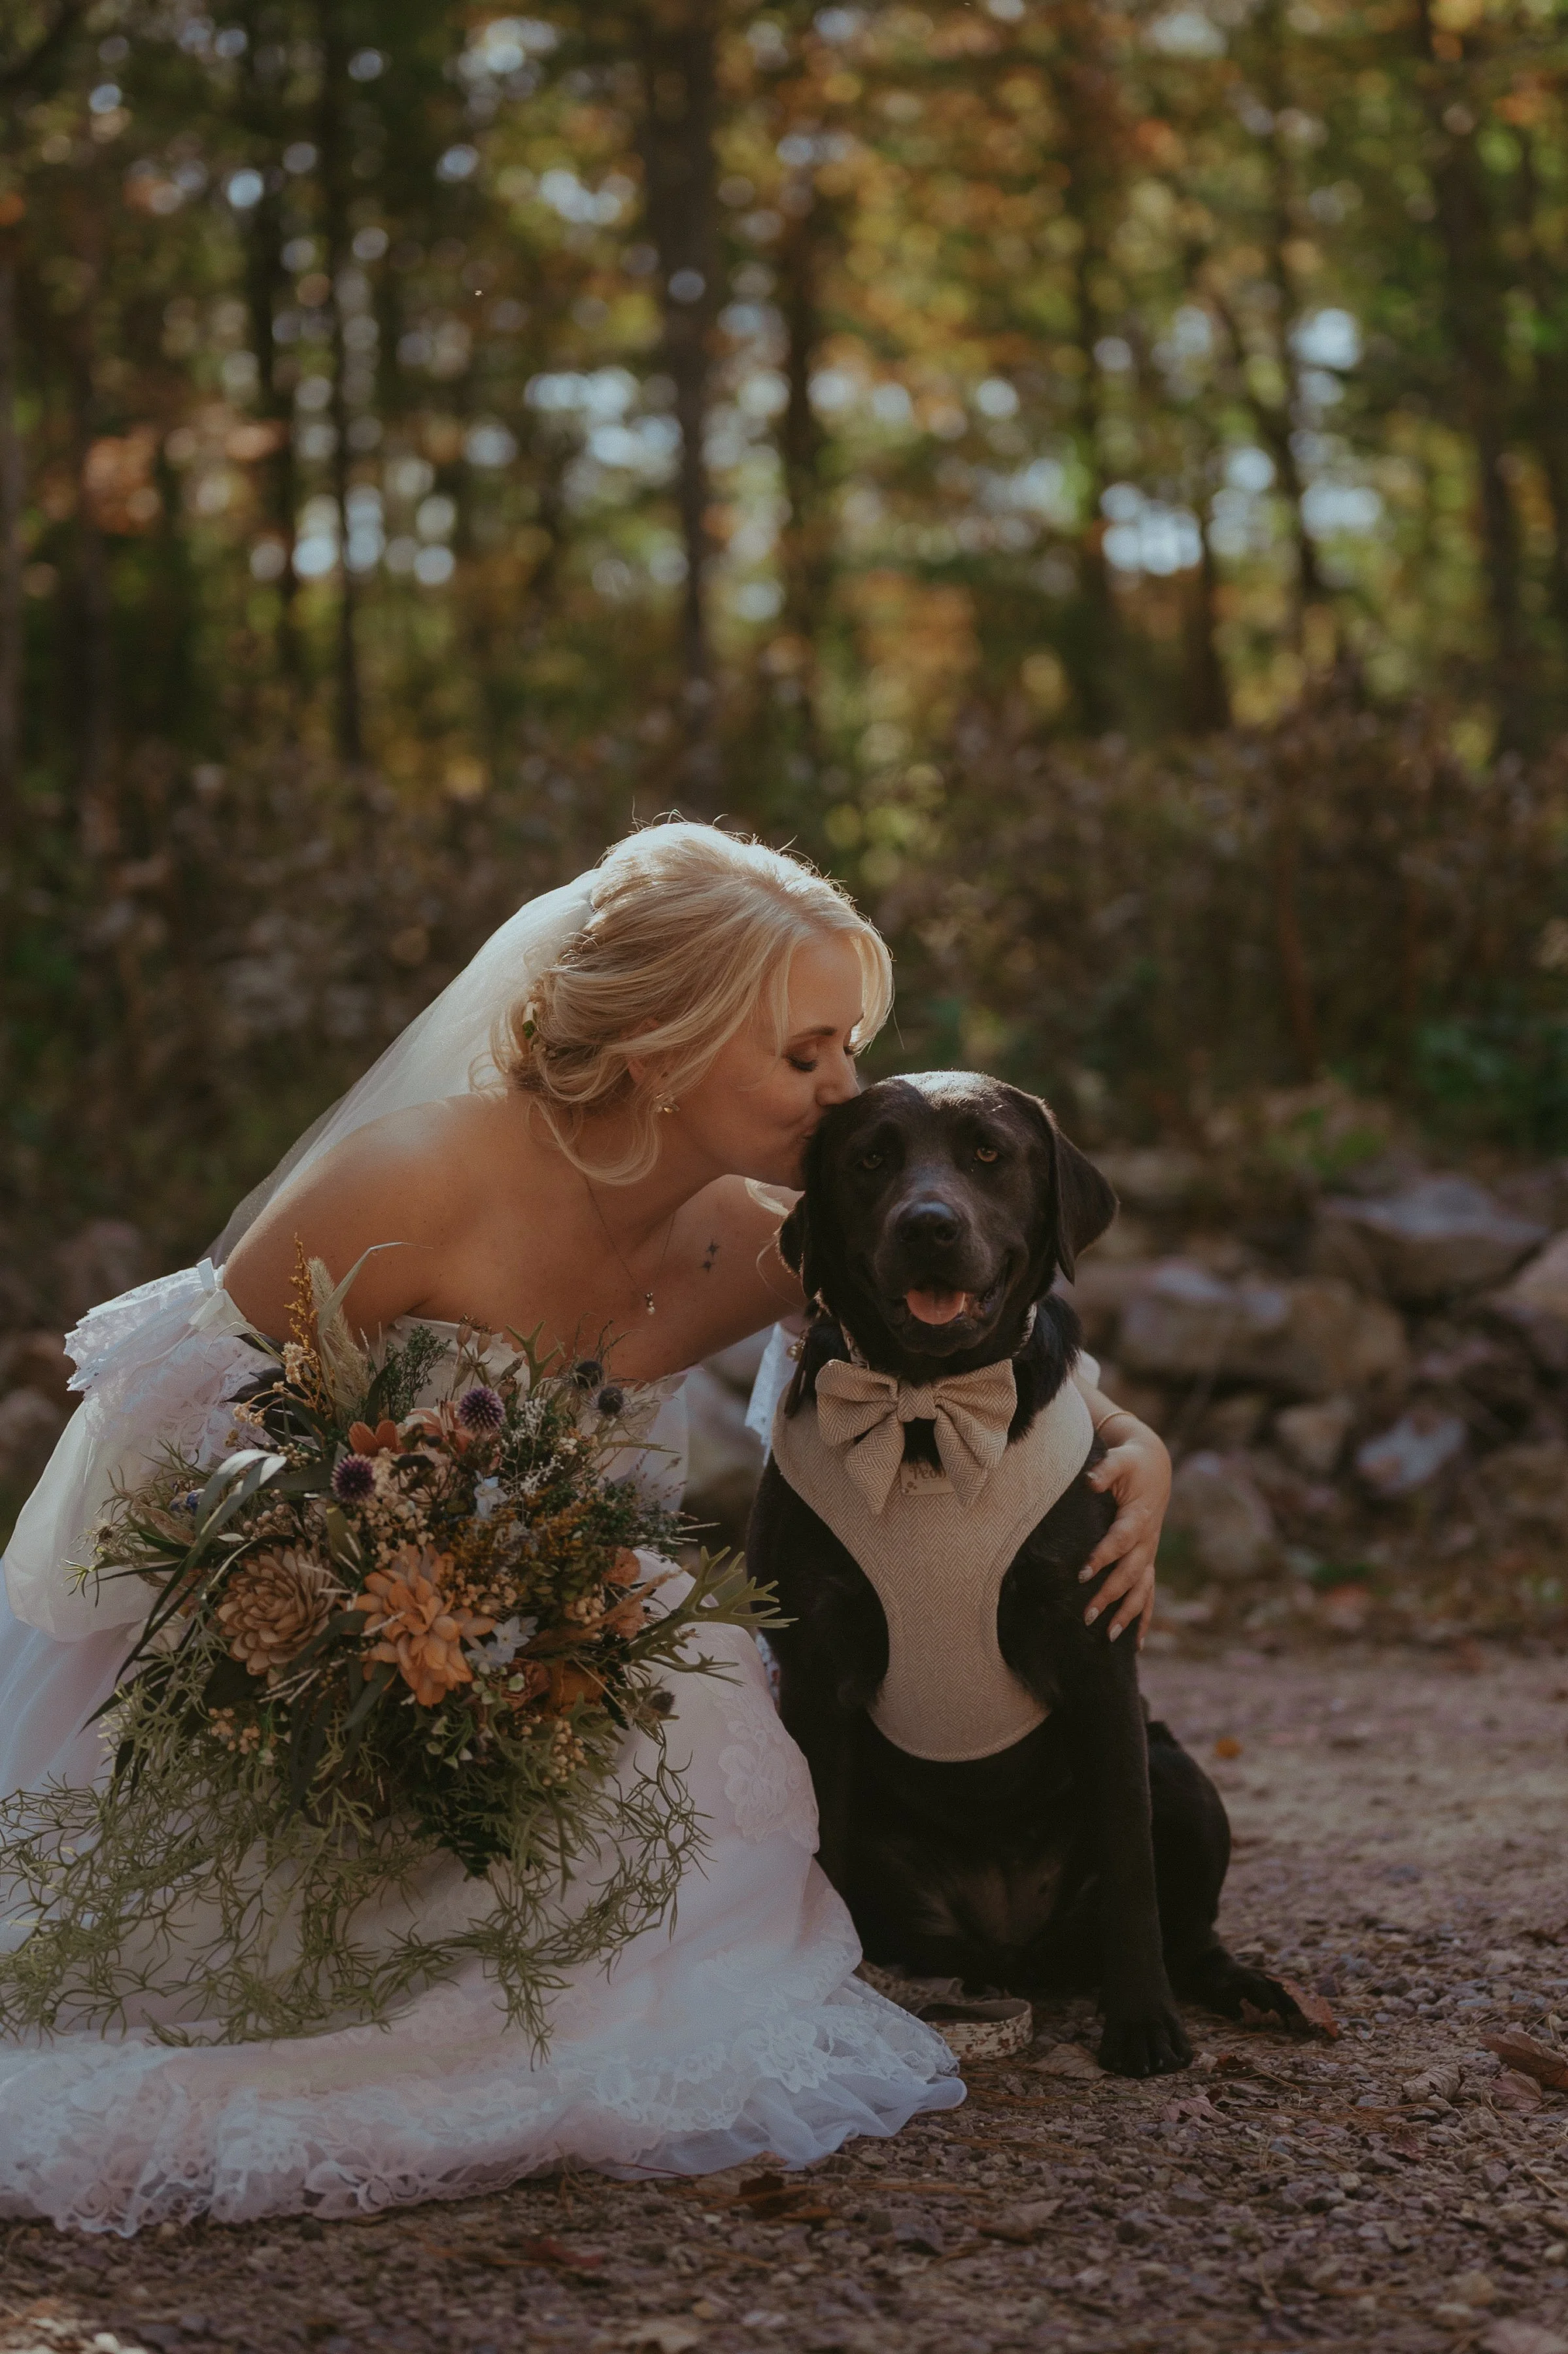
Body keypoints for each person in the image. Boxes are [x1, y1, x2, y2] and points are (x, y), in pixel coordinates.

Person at [0, 822, 1170, 2234]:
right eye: (804, 1056)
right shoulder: (410, 1180)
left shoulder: (755, 1240)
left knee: (700, 1697)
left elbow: (979, 1353)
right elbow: (154, 1454)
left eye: (845, 1047)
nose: (844, 1090)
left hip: (532, 1668)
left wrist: (1131, 1445)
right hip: (274, 1666)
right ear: (665, 1043)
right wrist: (335, 1610)